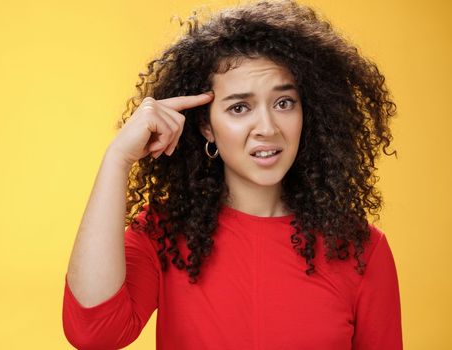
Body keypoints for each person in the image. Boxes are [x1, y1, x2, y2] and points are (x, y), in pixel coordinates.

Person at [62, 1, 402, 349]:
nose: (267, 128)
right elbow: (94, 333)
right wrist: (118, 159)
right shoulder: (163, 235)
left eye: (284, 103)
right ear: (207, 126)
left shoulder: (362, 249)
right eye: (240, 108)